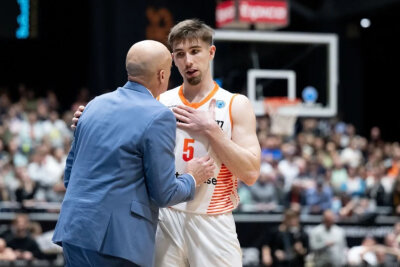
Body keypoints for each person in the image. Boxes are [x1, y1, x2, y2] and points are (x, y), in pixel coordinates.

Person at [72, 19, 261, 267]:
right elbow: (119, 138)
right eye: (180, 54)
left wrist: (212, 131)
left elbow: (250, 173)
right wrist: (87, 123)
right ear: (172, 60)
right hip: (165, 216)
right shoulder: (158, 100)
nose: (188, 61)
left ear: (211, 52)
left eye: (195, 51)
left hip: (212, 218)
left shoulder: (236, 104)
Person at [53, 40, 215, 267]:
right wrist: (192, 178)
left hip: (74, 231)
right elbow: (164, 194)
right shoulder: (159, 116)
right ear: (161, 75)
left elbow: (70, 177)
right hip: (118, 242)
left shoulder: (93, 105)